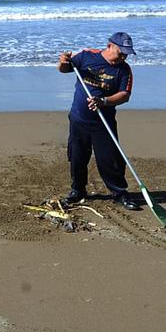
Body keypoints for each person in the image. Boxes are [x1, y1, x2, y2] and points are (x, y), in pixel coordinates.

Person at [57, 31, 142, 210]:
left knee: (110, 158)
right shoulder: (87, 57)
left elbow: (124, 95)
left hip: (103, 122)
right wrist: (63, 62)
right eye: (121, 52)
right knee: (77, 156)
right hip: (79, 118)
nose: (124, 56)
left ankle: (119, 192)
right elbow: (65, 69)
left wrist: (104, 101)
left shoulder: (123, 70)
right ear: (110, 45)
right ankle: (77, 190)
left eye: (127, 53)